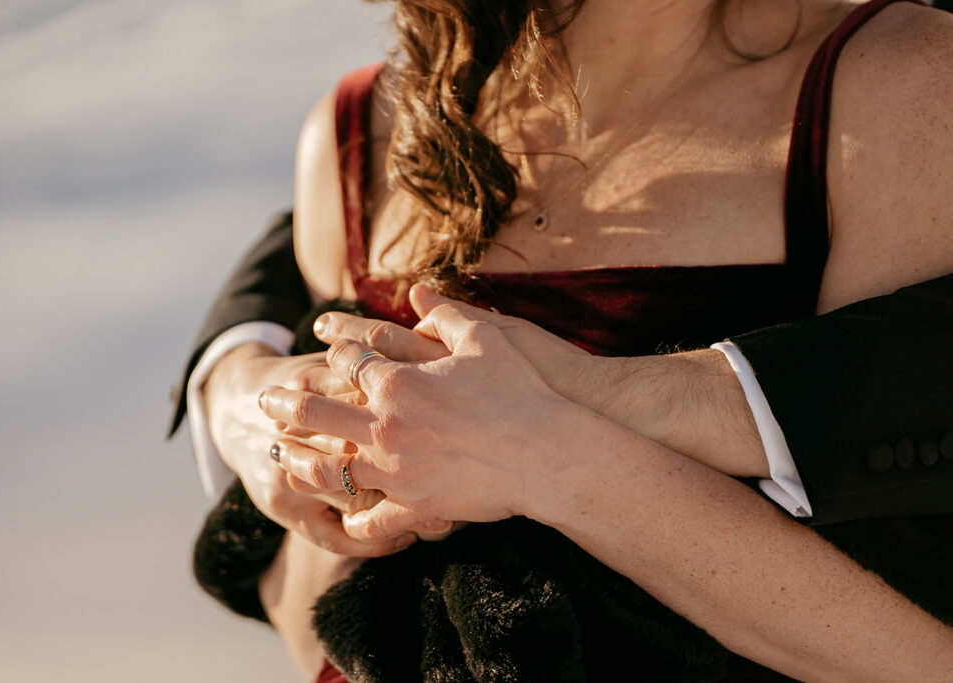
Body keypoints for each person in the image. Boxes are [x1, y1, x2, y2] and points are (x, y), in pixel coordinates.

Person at [174, 0, 953, 679]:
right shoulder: (355, 128)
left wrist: (548, 452)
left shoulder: (902, 85)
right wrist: (265, 432)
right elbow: (316, 505)